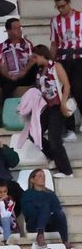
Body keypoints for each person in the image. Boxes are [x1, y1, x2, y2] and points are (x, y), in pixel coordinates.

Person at [31, 45, 74, 176]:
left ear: (43, 55)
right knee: (33, 133)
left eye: (35, 57)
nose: (34, 59)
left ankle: (66, 171)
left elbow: (66, 85)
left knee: (54, 139)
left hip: (57, 106)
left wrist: (63, 102)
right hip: (46, 107)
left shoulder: (56, 66)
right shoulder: (39, 71)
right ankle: (53, 156)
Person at [51, 0, 82, 128]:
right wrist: (52, 62)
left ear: (69, 3)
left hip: (79, 57)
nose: (61, 10)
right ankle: (69, 126)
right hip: (63, 59)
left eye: (63, 6)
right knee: (64, 91)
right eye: (58, 7)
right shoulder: (55, 21)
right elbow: (54, 43)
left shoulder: (80, 18)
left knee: (78, 88)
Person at [22, 169, 70, 249]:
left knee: (60, 214)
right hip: (34, 223)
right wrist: (42, 208)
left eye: (44, 176)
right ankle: (40, 234)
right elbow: (28, 212)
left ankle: (65, 242)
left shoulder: (51, 194)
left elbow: (56, 209)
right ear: (32, 180)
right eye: (40, 176)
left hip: (49, 223)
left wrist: (42, 208)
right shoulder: (27, 194)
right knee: (45, 206)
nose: (43, 178)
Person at [0, 19, 39, 102]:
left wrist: (23, 71)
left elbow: (32, 60)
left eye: (20, 28)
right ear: (8, 31)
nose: (19, 30)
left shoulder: (27, 44)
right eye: (16, 28)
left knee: (35, 66)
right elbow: (1, 65)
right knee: (4, 83)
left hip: (25, 75)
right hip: (10, 77)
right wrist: (10, 76)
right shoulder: (3, 46)